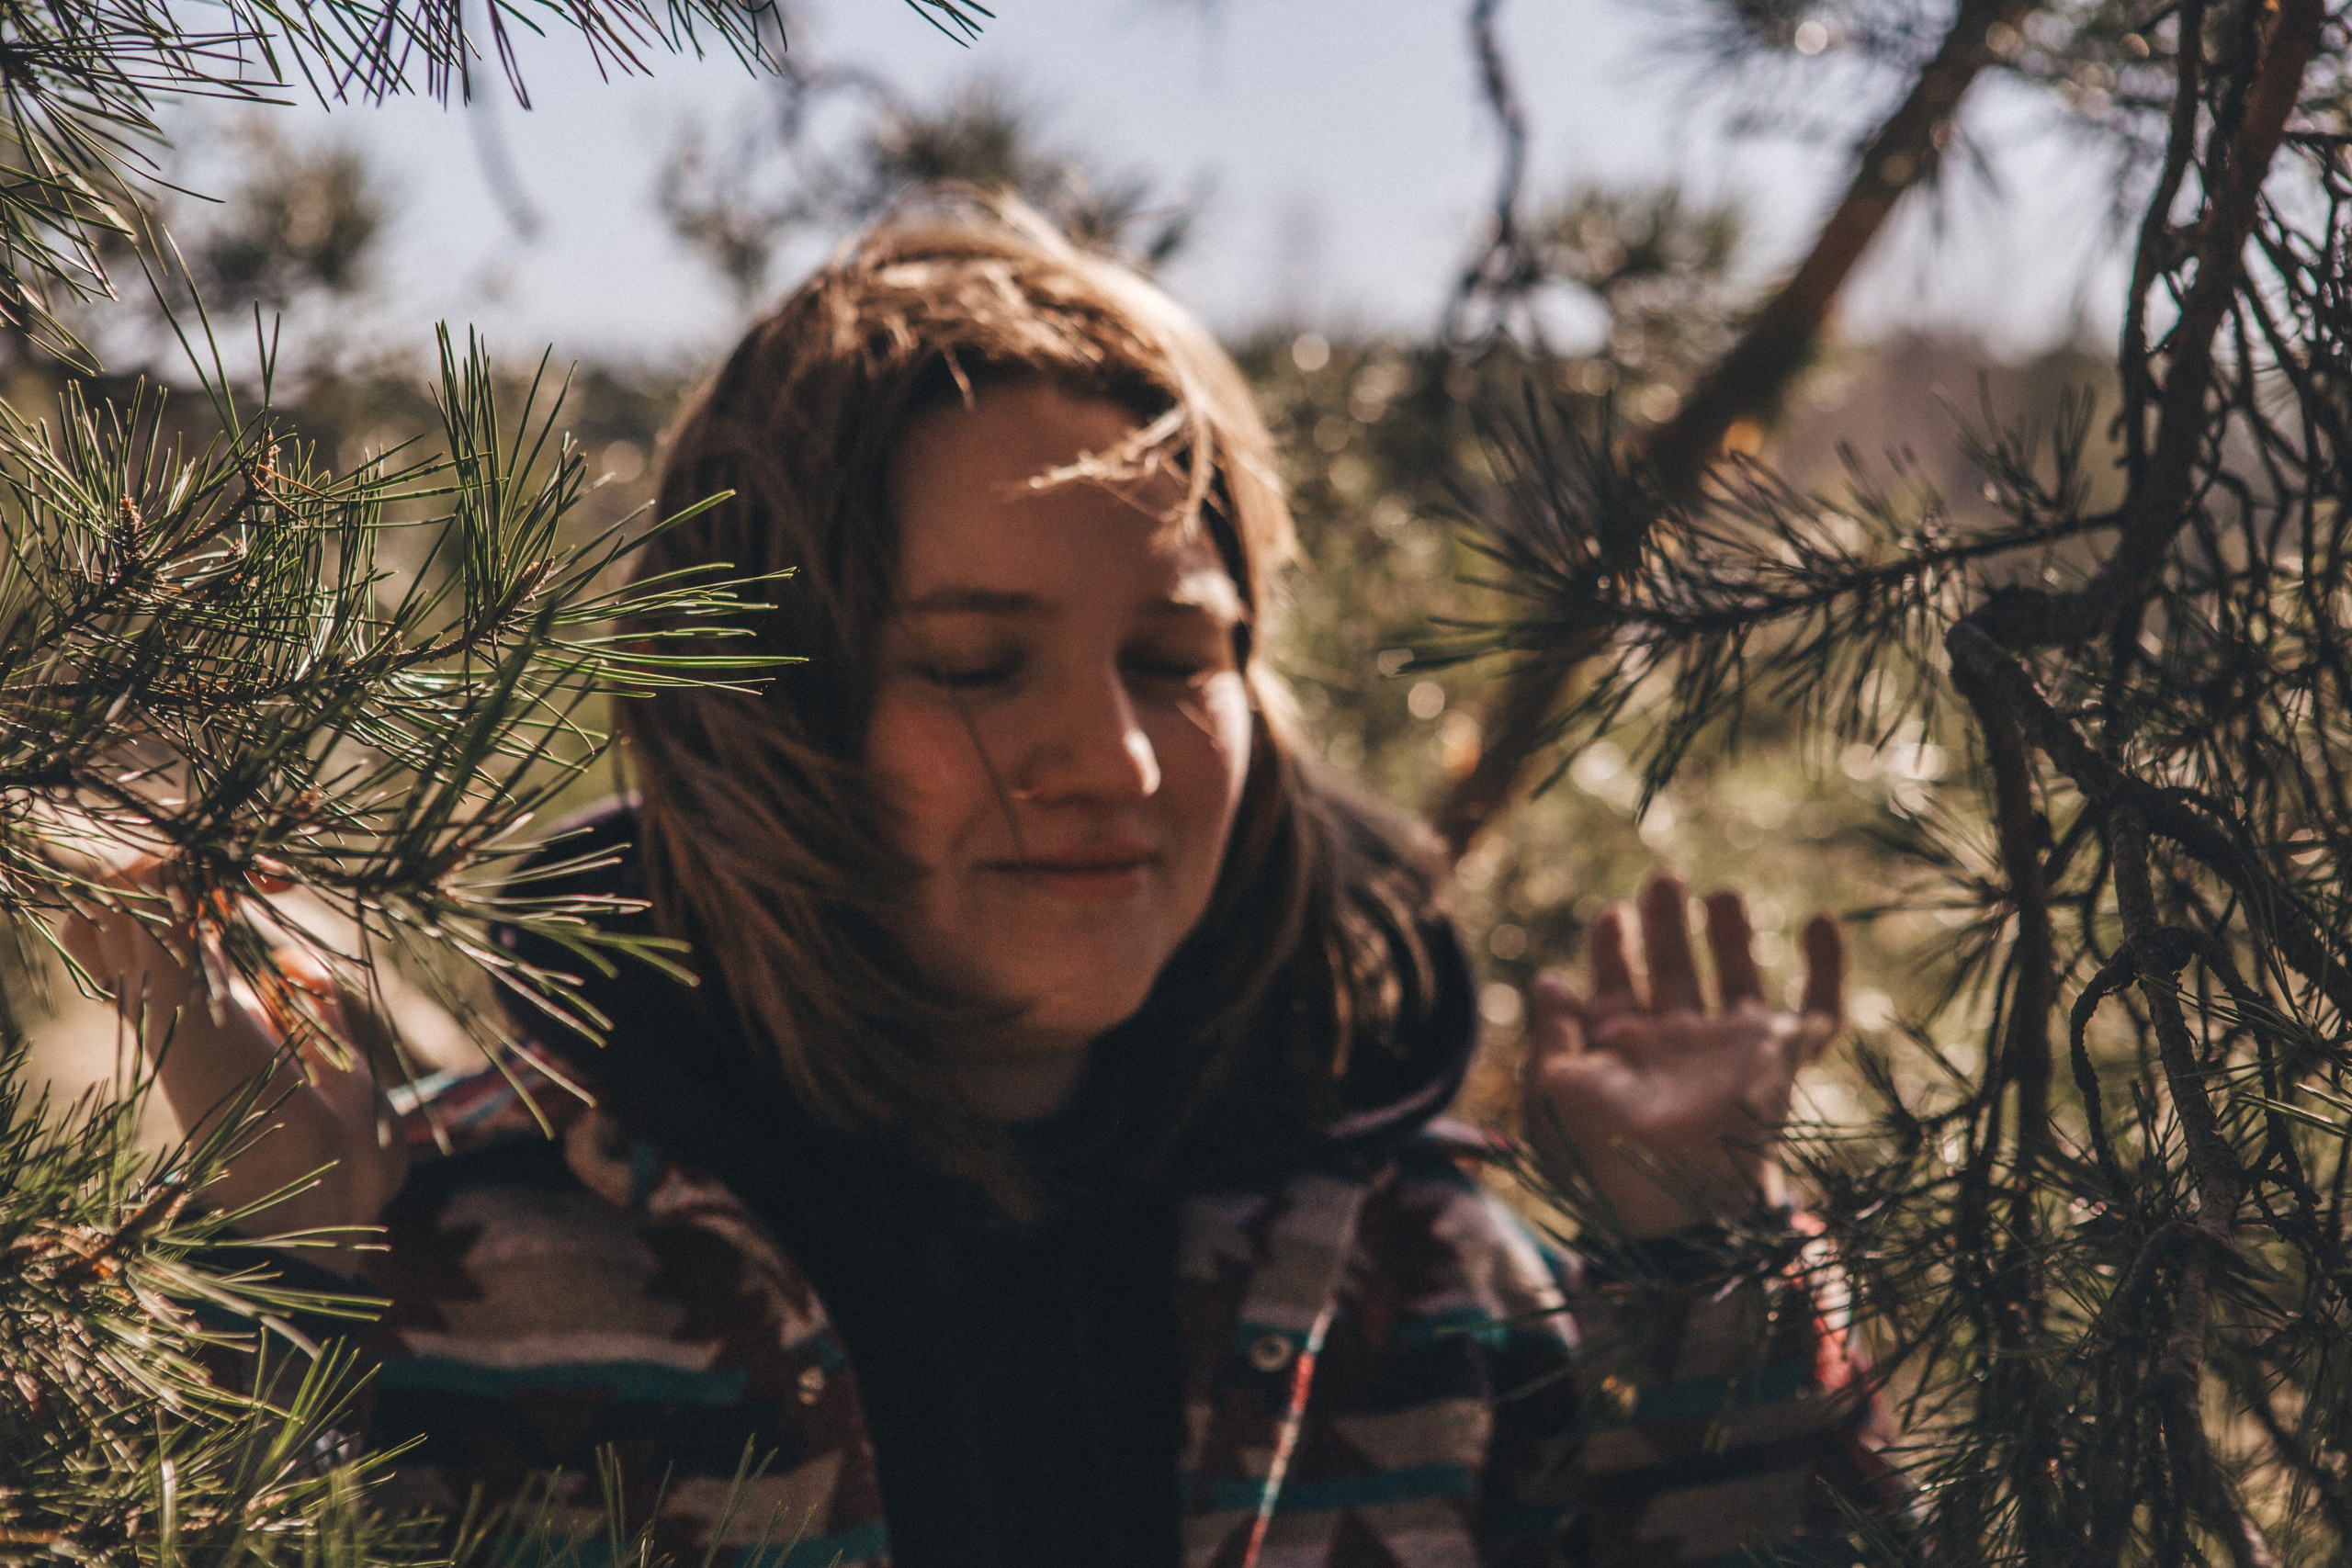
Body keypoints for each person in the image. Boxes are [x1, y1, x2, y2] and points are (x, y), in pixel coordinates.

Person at [72, 196, 1901, 1568]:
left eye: (1173, 659)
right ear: (768, 712)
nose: (1107, 758)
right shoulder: (480, 1256)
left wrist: (1707, 1285)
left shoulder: (1423, 1283)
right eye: (970, 657)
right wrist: (273, 1315)